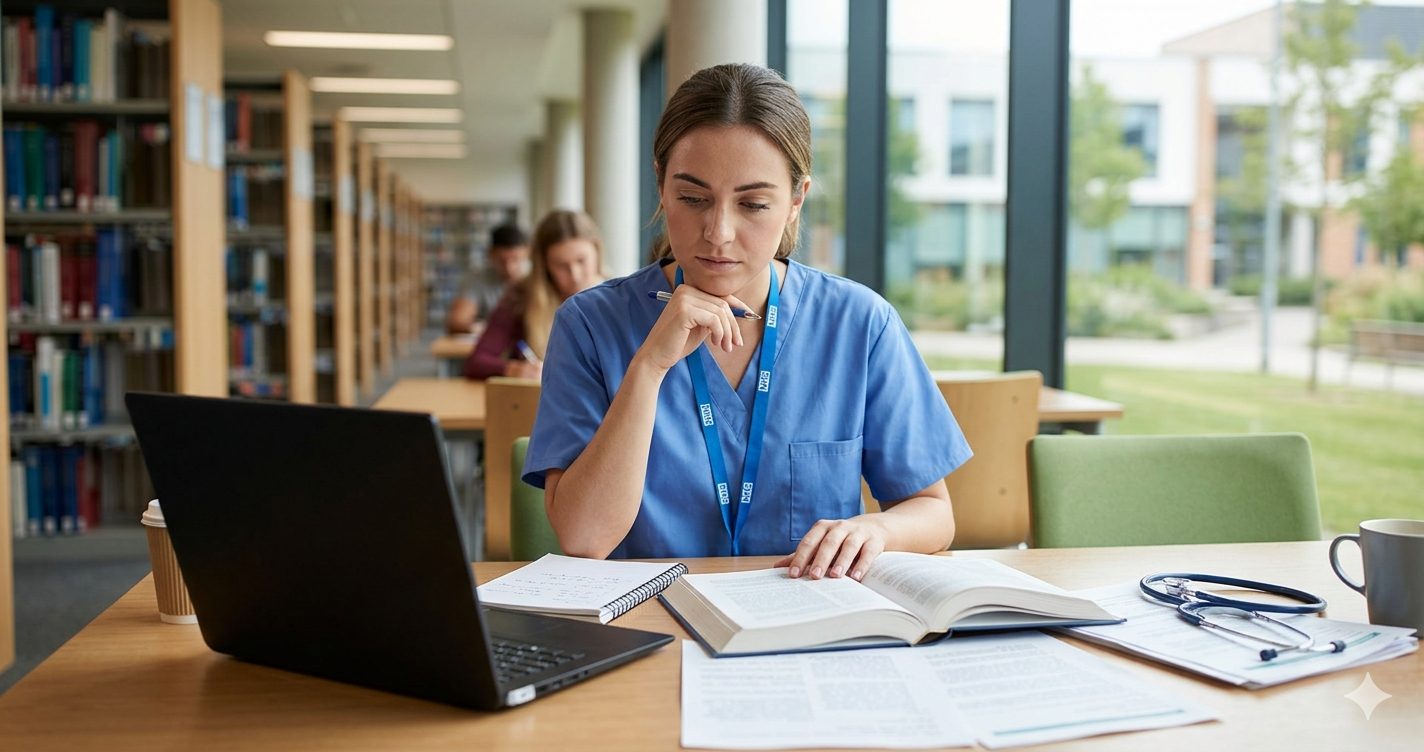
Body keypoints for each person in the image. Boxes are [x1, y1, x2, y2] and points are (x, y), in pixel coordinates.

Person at [523, 63, 970, 581]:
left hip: (805, 626)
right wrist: (648, 368)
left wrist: (879, 530)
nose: (718, 232)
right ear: (661, 186)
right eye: (692, 199)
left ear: (796, 200)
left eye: (753, 204)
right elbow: (584, 539)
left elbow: (935, 512)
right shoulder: (590, 324)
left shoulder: (859, 323)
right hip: (649, 628)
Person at [462, 210, 605, 380]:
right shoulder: (521, 296)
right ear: (544, 266)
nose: (574, 274)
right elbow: (476, 362)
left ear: (597, 253)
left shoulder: (619, 297)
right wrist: (515, 369)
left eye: (581, 260)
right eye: (561, 265)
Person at [445, 222, 530, 335]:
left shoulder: (537, 277)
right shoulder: (477, 278)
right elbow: (457, 321)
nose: (509, 267)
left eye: (516, 259)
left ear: (528, 253)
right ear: (491, 254)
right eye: (502, 261)